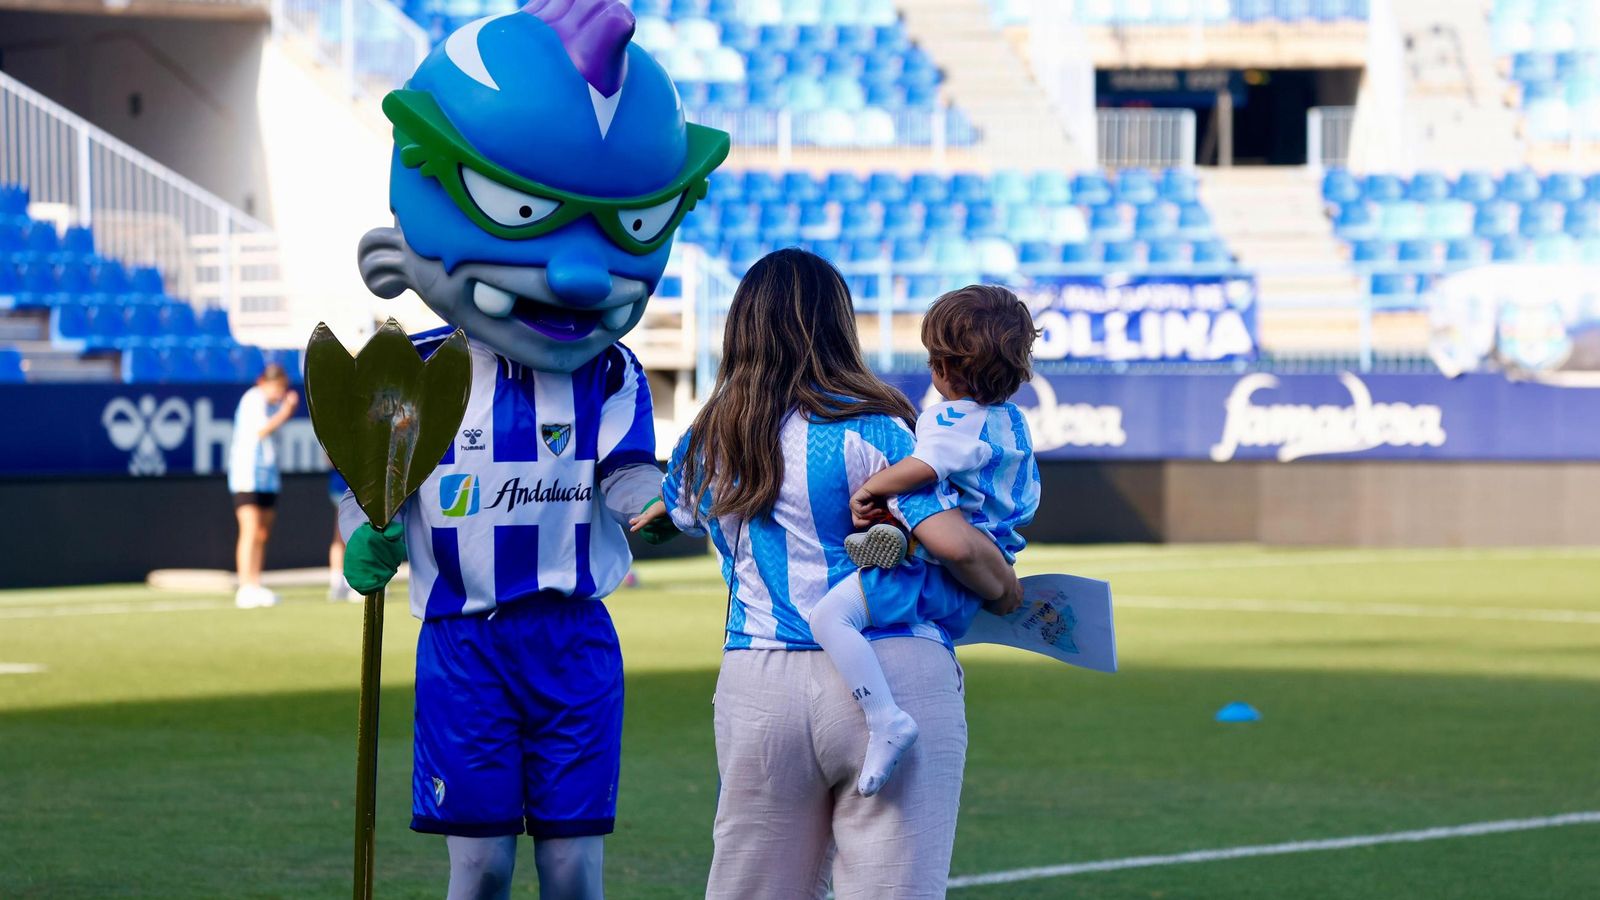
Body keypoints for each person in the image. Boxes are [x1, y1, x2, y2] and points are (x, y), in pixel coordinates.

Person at [632, 249, 1022, 899]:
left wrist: (656, 513)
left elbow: (673, 510)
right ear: (839, 325)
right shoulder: (879, 426)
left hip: (760, 680)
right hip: (891, 667)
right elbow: (952, 544)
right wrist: (1005, 590)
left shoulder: (710, 437)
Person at [816, 284, 1041, 796]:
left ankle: (885, 719)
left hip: (943, 574)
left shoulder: (952, 418)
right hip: (990, 559)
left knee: (830, 617)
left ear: (944, 368)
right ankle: (897, 540)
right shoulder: (1013, 422)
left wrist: (873, 487)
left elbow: (927, 465)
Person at [229, 363, 298, 609]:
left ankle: (255, 583)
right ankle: (245, 586)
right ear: (263, 383)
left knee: (262, 532)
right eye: (277, 386)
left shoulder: (272, 405)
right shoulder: (253, 399)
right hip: (247, 475)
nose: (280, 392)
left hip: (268, 476)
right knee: (249, 529)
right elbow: (261, 430)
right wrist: (286, 411)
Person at [327, 469, 355, 602]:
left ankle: (356, 581)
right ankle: (338, 583)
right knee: (342, 534)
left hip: (361, 487)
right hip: (343, 487)